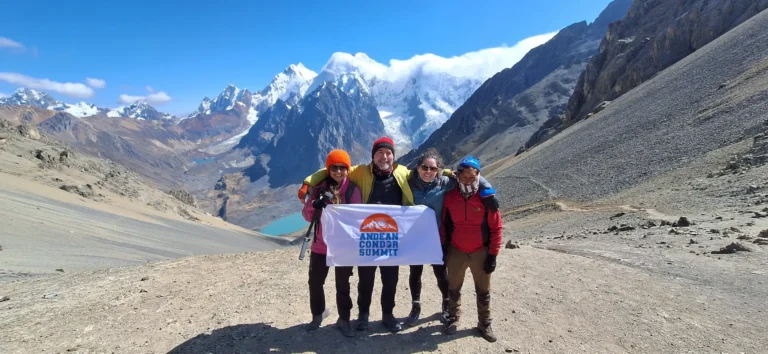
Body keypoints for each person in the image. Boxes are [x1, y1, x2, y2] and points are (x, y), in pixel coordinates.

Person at [298, 137, 412, 333]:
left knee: (385, 279)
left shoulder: (400, 173)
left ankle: (372, 316)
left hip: (374, 239)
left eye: (388, 153)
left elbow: (425, 172)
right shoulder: (356, 175)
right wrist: (310, 193)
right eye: (379, 154)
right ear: (373, 156)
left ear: (393, 156)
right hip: (339, 241)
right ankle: (347, 316)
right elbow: (311, 209)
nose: (339, 171)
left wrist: (446, 172)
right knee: (347, 280)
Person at [404, 148, 499, 327]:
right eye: (424, 167)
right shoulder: (407, 183)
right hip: (415, 238)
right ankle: (415, 306)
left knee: (441, 273)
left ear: (438, 170)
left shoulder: (446, 183)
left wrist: (488, 191)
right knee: (415, 273)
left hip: (436, 237)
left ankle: (447, 303)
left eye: (433, 169)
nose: (428, 171)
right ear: (417, 168)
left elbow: (473, 176)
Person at [440, 156, 503, 342]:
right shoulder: (450, 197)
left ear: (478, 177)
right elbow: (444, 224)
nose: (468, 181)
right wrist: (444, 247)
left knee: (483, 290)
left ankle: (484, 323)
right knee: (453, 288)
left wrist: (493, 255)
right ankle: (453, 318)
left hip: (480, 251)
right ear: (457, 176)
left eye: (472, 177)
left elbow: (496, 228)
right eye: (464, 177)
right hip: (456, 250)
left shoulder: (487, 199)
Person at [301, 149, 362, 337]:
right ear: (328, 169)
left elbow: (357, 217)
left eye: (342, 167)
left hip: (343, 247)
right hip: (321, 245)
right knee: (315, 282)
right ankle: (317, 315)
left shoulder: (352, 190)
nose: (338, 171)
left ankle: (344, 319)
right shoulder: (319, 189)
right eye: (334, 167)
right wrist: (314, 205)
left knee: (343, 285)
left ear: (347, 169)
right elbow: (306, 215)